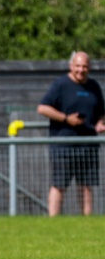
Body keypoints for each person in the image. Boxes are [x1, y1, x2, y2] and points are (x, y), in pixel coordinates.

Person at [37, 51, 105, 217]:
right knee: (59, 184)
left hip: (88, 143)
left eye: (84, 66)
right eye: (78, 66)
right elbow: (42, 108)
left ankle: (86, 219)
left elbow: (101, 113)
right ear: (71, 66)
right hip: (63, 142)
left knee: (86, 185)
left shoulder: (94, 87)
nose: (81, 70)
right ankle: (53, 219)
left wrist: (100, 123)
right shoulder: (60, 85)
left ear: (89, 68)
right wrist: (66, 119)